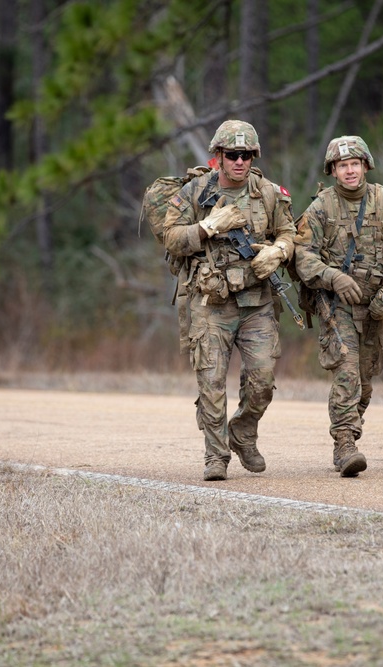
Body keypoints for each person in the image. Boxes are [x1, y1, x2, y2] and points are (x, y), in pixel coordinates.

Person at [163, 120, 296, 481]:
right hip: (210, 302)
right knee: (211, 381)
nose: (240, 162)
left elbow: (288, 230)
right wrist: (207, 227)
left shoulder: (268, 193)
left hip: (257, 301)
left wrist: (280, 251)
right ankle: (216, 456)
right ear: (218, 156)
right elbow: (171, 238)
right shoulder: (194, 193)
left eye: (246, 155)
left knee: (263, 380)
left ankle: (243, 431)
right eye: (232, 155)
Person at [291, 135, 383, 477]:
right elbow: (301, 257)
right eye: (342, 166)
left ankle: (351, 429)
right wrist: (332, 277)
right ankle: (344, 444)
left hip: (377, 306)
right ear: (333, 171)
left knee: (365, 381)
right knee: (347, 371)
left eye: (355, 164)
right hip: (338, 305)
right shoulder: (321, 208)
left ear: (365, 166)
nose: (350, 170)